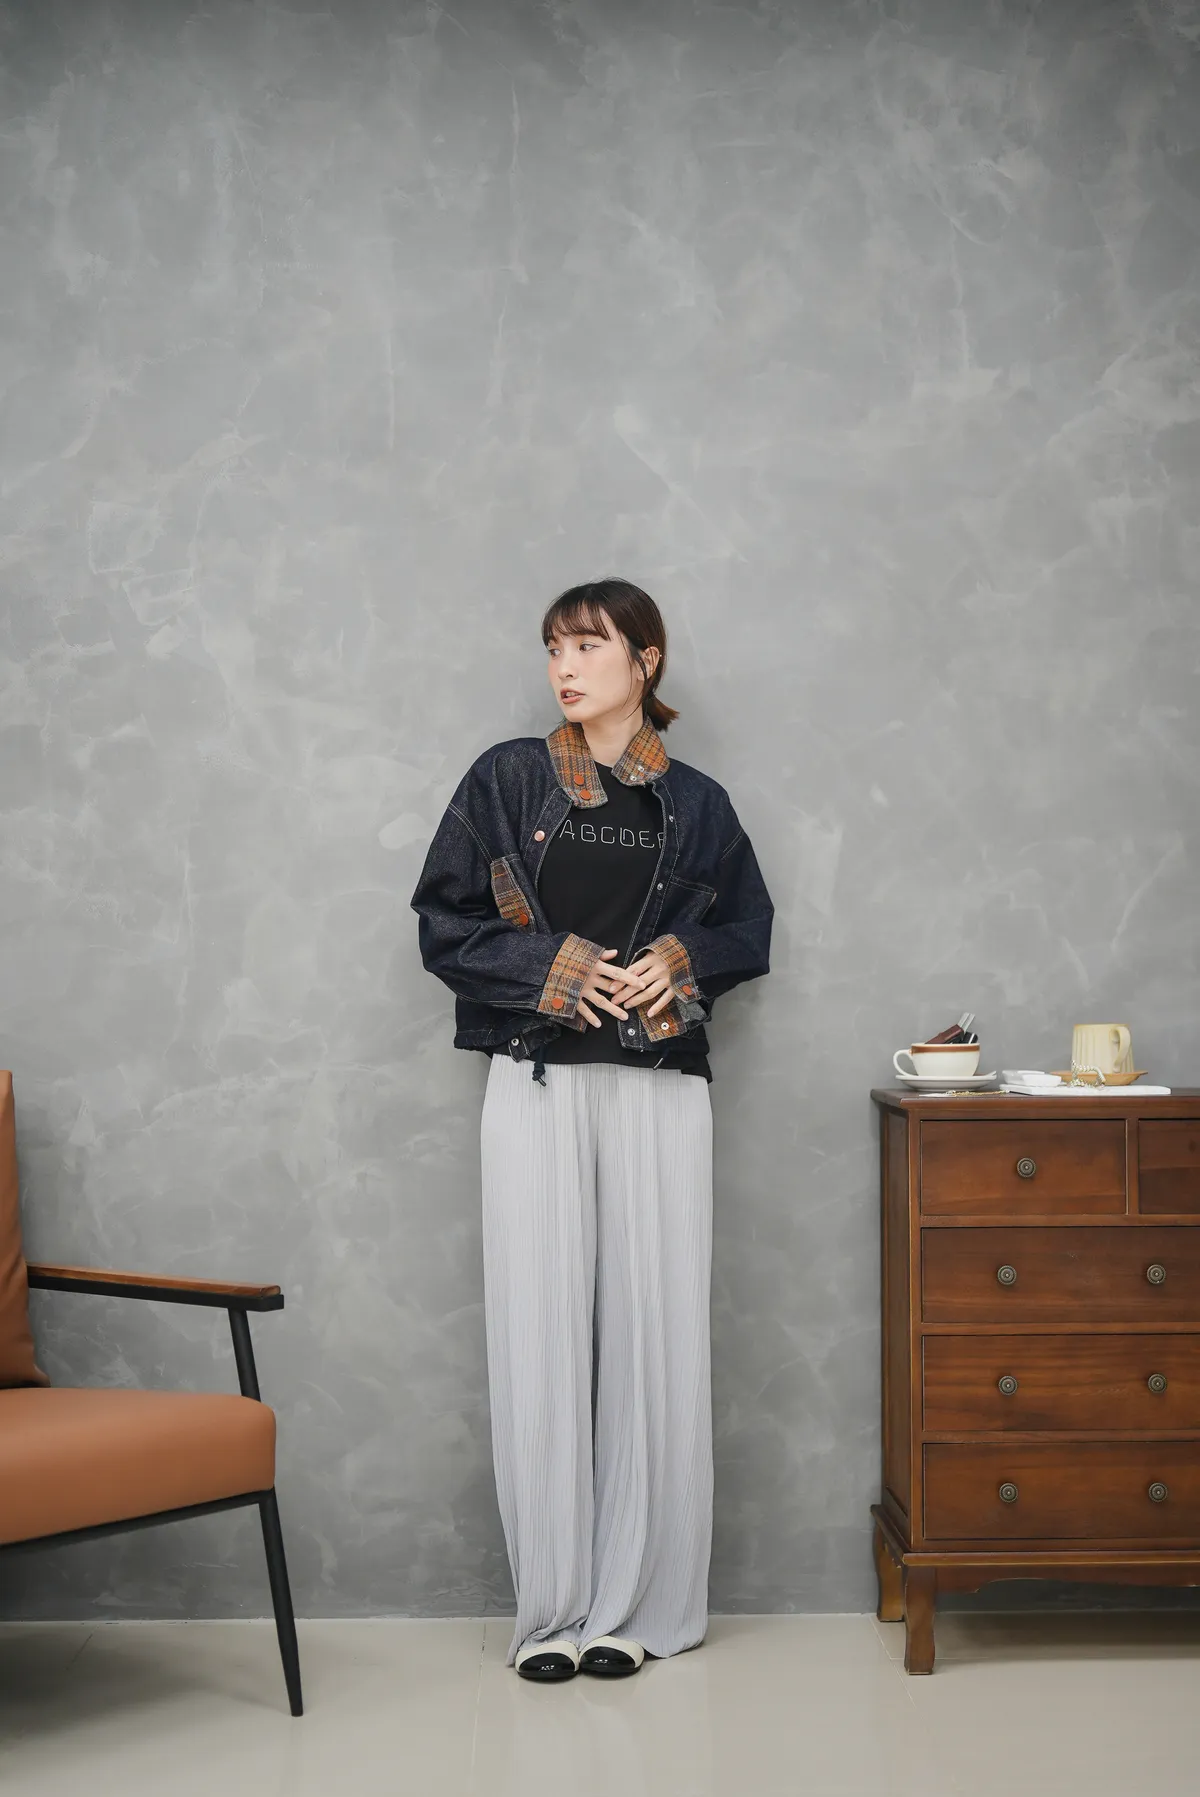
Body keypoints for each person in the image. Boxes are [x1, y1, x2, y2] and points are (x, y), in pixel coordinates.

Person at [411, 578, 773, 1682]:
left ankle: (637, 1607)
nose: (564, 667)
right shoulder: (508, 779)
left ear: (645, 660)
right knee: (542, 1336)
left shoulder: (699, 803)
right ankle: (555, 1611)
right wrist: (561, 970)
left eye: (587, 645)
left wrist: (680, 959)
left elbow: (751, 928)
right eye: (554, 648)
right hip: (536, 1083)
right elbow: (443, 925)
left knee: (655, 1338)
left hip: (659, 1087)